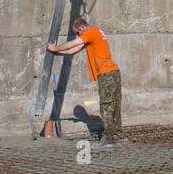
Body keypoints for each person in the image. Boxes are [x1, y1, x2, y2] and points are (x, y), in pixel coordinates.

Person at [47, 17, 124, 146]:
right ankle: (117, 135)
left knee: (107, 105)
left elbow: (73, 44)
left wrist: (55, 48)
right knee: (115, 104)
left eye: (77, 32)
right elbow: (74, 50)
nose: (78, 35)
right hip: (114, 72)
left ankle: (109, 138)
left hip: (106, 74)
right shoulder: (95, 33)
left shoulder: (91, 32)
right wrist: (57, 52)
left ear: (81, 28)